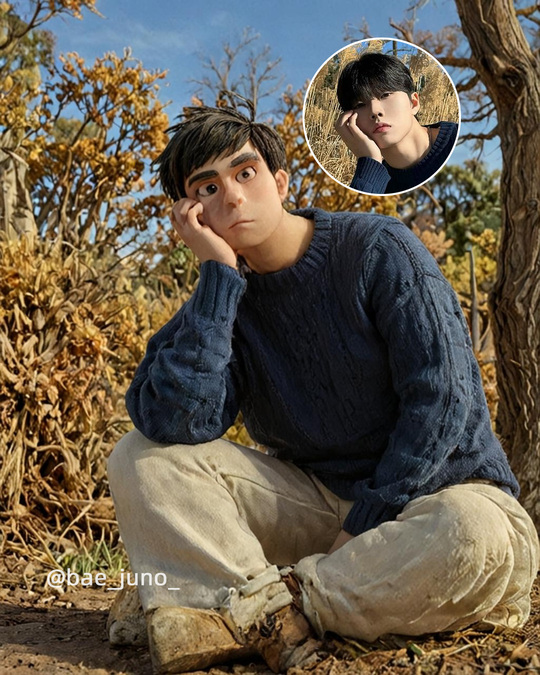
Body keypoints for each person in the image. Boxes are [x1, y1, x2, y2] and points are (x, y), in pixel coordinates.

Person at [107, 104, 539, 674]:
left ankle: (238, 606)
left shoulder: (376, 249)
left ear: (280, 181)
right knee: (140, 456)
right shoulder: (223, 301)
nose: (232, 197)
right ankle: (281, 607)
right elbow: (175, 425)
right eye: (207, 187)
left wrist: (361, 526)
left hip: (441, 498)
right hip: (318, 510)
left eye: (245, 173)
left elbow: (442, 402)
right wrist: (217, 280)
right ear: (192, 215)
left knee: (473, 537)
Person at [334, 52, 458, 194]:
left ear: (414, 103)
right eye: (360, 104)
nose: (375, 111)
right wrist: (370, 160)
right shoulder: (375, 184)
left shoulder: (456, 140)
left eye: (385, 95)